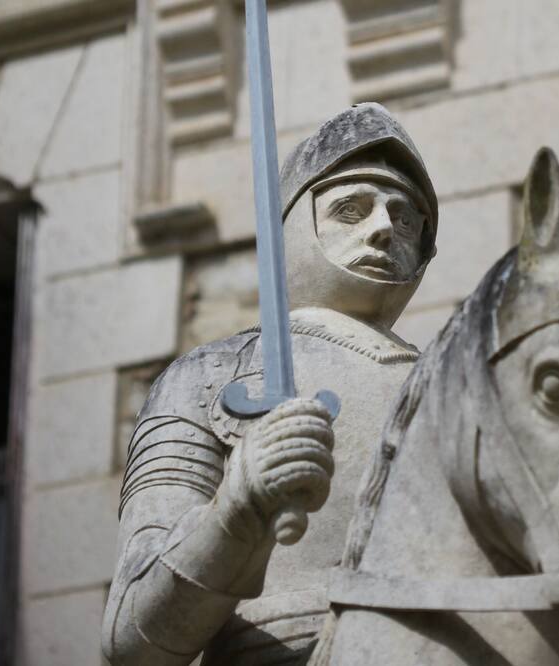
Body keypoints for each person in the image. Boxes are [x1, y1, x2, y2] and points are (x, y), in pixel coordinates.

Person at [102, 103, 439, 665]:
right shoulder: (211, 376)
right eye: (351, 208)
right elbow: (133, 637)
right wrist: (238, 510)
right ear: (294, 224)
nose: (383, 228)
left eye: (405, 218)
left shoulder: (452, 384)